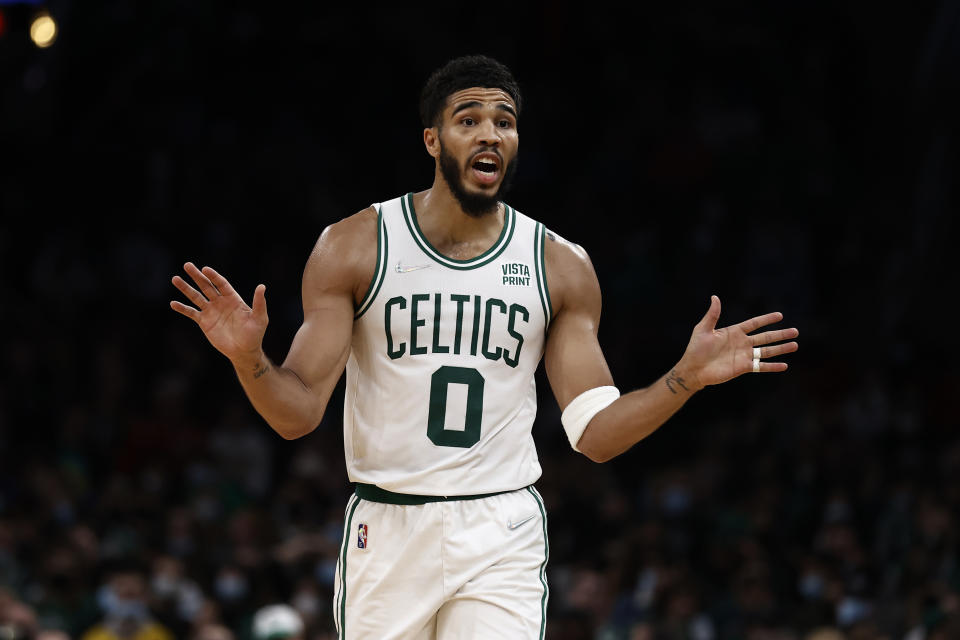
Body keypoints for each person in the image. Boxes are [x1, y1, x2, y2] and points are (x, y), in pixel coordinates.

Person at [170, 54, 799, 639]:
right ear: (433, 140)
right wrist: (249, 359)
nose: (490, 133)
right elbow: (297, 414)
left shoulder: (559, 265)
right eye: (468, 119)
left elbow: (596, 436)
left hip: (501, 528)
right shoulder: (356, 245)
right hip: (388, 527)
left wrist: (683, 379)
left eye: (505, 121)